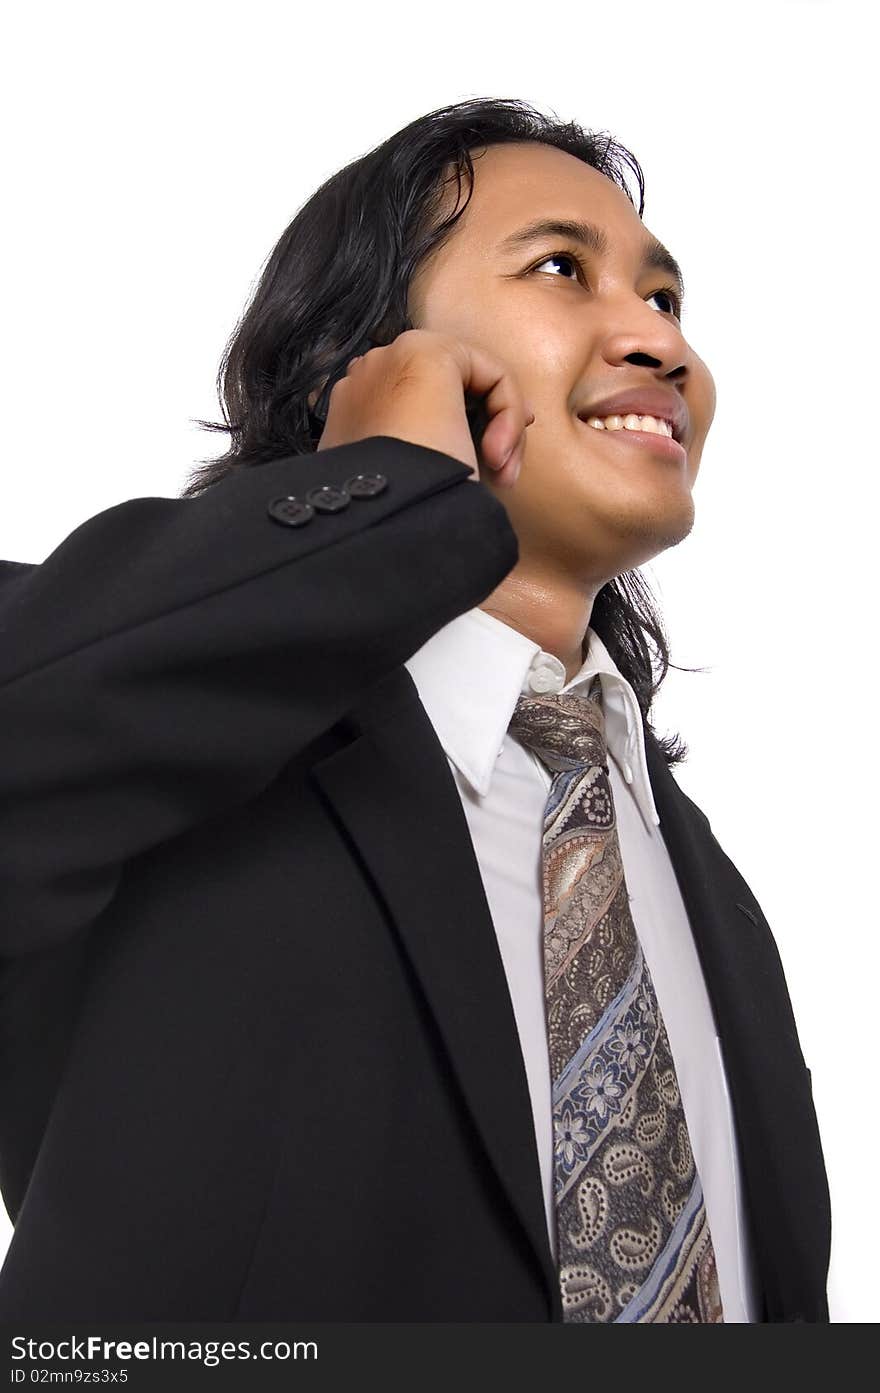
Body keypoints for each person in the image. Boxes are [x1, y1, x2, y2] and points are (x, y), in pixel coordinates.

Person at [0, 97, 830, 1323]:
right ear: (380, 355)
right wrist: (375, 493)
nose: (659, 343)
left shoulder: (704, 883)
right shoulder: (175, 764)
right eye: (562, 268)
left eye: (665, 300)